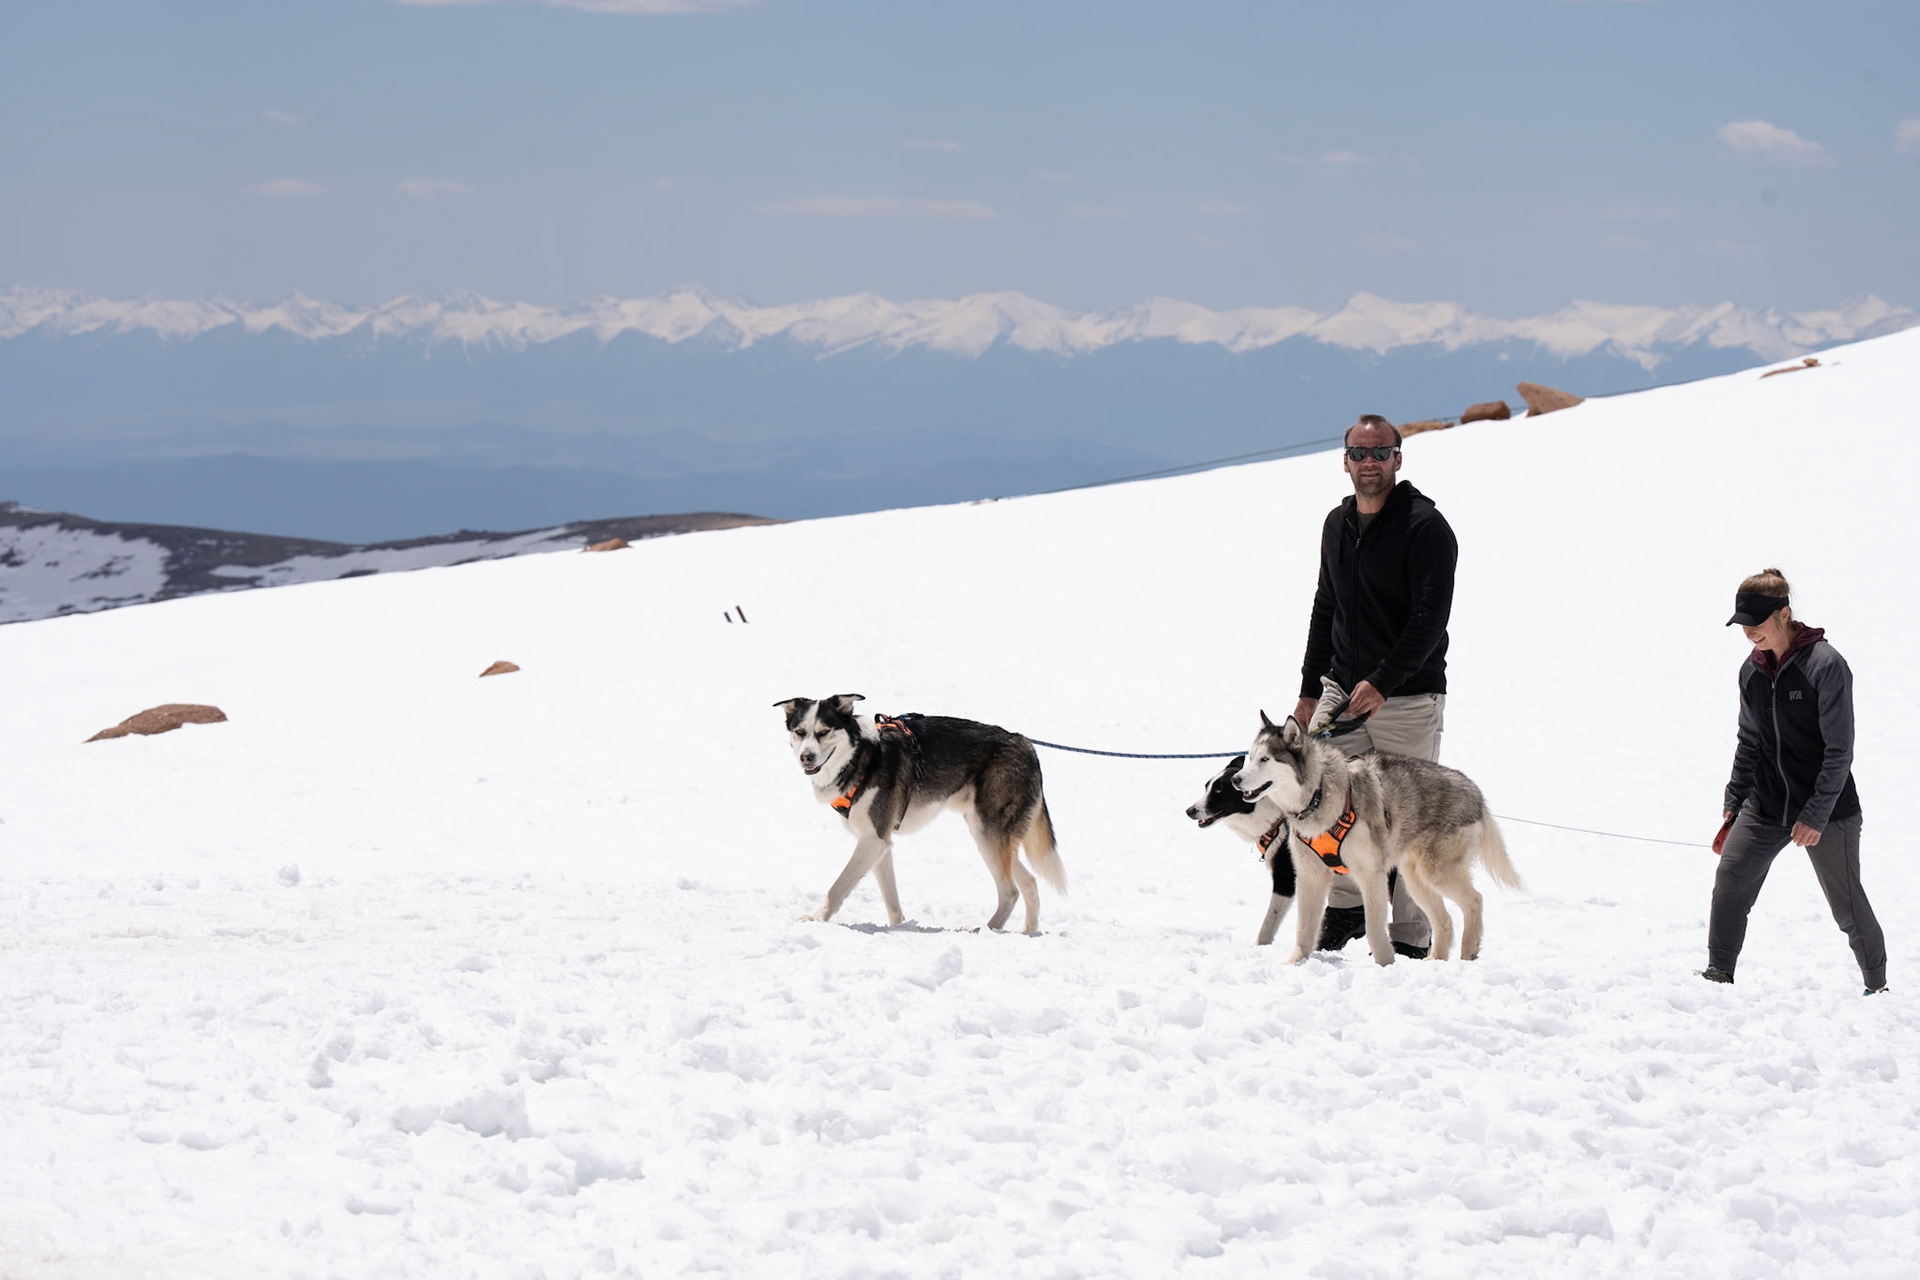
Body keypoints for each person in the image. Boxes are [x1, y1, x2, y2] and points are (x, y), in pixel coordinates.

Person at [1292, 414, 1458, 958]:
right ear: (1344, 460)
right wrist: (1310, 691)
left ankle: (1410, 934)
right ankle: (1344, 913)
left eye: (1380, 452)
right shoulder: (1336, 525)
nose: (1369, 462)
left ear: (1398, 459)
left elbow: (1430, 618)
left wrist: (1384, 682)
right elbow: (1325, 606)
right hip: (1340, 689)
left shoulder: (1425, 527)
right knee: (1330, 801)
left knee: (1404, 816)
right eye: (1359, 453)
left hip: (1407, 696)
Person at [1703, 569, 1887, 994]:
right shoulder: (1751, 672)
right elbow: (1749, 740)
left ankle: (1877, 989)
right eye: (1743, 625)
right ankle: (1718, 973)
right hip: (1766, 803)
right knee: (1731, 876)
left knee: (1847, 906)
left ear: (1784, 613)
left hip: (1828, 809)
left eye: (1757, 623)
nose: (1749, 633)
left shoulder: (1826, 666)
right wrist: (1735, 797)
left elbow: (1840, 750)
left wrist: (1816, 815)